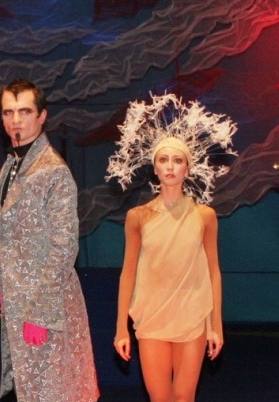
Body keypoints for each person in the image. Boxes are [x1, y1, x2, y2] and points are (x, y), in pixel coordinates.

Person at [105, 93, 236, 402]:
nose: (170, 166)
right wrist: (121, 327)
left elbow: (213, 272)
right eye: (163, 160)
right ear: (154, 167)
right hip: (151, 316)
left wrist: (215, 325)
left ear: (187, 169)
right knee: (160, 398)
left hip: (192, 315)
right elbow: (128, 274)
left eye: (178, 161)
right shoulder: (138, 217)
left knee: (184, 397)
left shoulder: (204, 216)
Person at [0, 78, 99, 401]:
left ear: (42, 116)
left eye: (25, 111)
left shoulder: (52, 170)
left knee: (49, 393)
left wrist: (40, 313)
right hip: (17, 303)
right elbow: (6, 238)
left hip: (45, 307)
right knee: (25, 391)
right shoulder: (12, 164)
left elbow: (64, 246)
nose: (15, 120)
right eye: (8, 112)